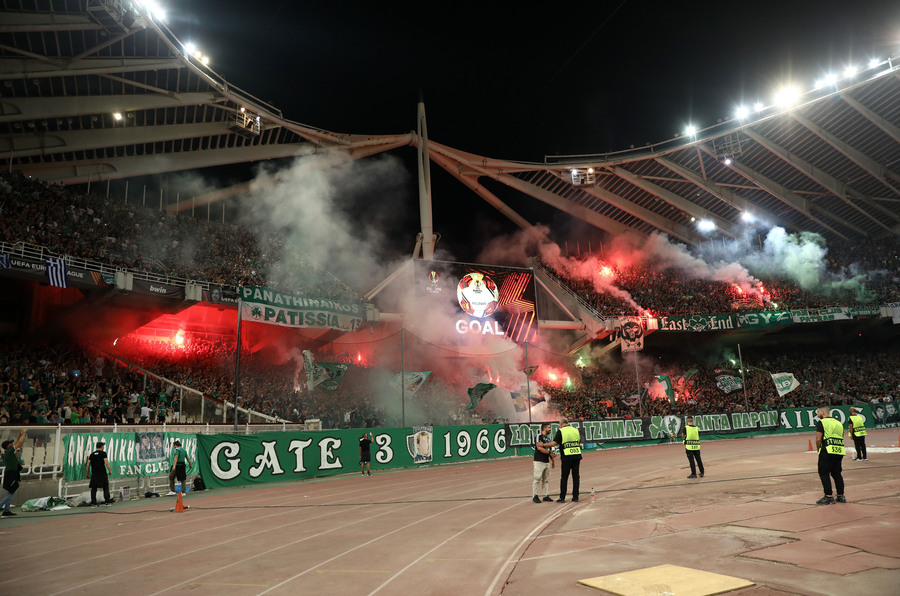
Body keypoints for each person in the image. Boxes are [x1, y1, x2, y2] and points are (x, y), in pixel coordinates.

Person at [815, 405, 846, 505]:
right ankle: (841, 496)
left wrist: (818, 449)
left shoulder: (822, 422)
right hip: (839, 450)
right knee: (837, 474)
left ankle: (828, 496)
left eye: (818, 412)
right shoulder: (838, 423)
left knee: (824, 473)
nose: (817, 414)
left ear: (822, 413)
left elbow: (818, 439)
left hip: (827, 450)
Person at [552, 417, 582, 503]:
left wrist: (544, 445)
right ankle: (576, 497)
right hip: (577, 455)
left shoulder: (561, 431)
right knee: (576, 476)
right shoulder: (575, 430)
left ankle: (562, 497)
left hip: (566, 456)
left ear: (561, 424)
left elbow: (554, 443)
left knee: (564, 477)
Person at [1, 429, 27, 517]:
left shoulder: (7, 452)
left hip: (11, 473)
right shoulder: (9, 452)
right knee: (12, 492)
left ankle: (6, 510)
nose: (12, 444)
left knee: (11, 492)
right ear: (7, 446)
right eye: (10, 444)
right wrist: (24, 433)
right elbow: (18, 444)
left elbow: (16, 443)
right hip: (11, 474)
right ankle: (2, 506)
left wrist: (20, 435)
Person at [532, 423, 555, 503]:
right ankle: (535, 495)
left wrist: (552, 461)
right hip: (539, 461)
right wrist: (549, 453)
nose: (550, 429)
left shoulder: (548, 439)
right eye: (549, 427)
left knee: (546, 480)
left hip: (546, 461)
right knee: (537, 478)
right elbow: (539, 448)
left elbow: (551, 451)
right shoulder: (539, 436)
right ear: (544, 428)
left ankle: (545, 495)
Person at [86, 441, 114, 507]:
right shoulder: (103, 454)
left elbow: (88, 465)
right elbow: (106, 463)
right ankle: (107, 502)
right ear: (102, 447)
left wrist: (87, 474)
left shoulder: (92, 454)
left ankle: (93, 503)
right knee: (105, 488)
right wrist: (110, 470)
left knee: (94, 489)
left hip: (94, 474)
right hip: (102, 473)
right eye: (103, 446)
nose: (104, 447)